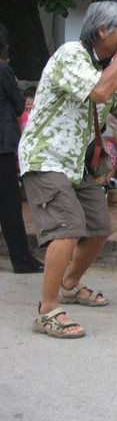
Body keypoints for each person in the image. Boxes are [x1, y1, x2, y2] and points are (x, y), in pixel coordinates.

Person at [18, 1, 117, 338]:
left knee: (98, 226)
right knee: (67, 227)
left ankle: (69, 284)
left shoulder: (108, 65)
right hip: (47, 156)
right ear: (103, 31)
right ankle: (48, 309)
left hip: (75, 161)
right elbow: (99, 93)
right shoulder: (72, 54)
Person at [0, 23, 44, 274]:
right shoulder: (3, 70)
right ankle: (21, 260)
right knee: (9, 206)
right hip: (3, 146)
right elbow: (19, 105)